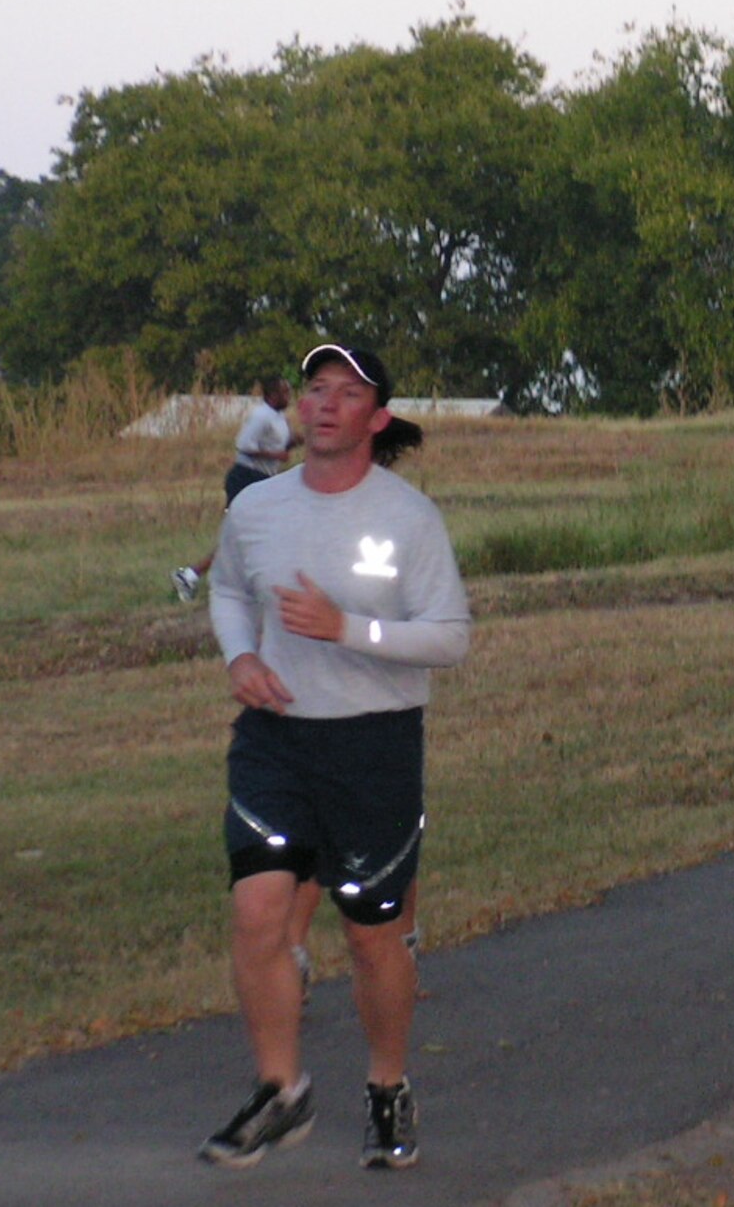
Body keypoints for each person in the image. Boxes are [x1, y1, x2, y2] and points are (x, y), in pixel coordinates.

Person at [199, 343, 470, 1172]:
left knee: (370, 939)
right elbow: (229, 590)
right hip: (276, 739)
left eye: (344, 394)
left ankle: (387, 1086)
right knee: (257, 914)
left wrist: (345, 628)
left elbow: (450, 639)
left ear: (375, 418)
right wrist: (240, 656)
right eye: (314, 389)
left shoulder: (409, 518)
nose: (322, 404)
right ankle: (280, 1091)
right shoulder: (257, 507)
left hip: (373, 746)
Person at [174, 377, 300, 601]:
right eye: (285, 392)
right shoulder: (261, 416)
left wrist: (294, 442)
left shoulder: (278, 417)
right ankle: (191, 575)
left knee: (261, 533)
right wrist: (276, 455)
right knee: (241, 536)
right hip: (246, 478)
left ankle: (235, 580)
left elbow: (277, 444)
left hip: (263, 480)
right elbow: (243, 445)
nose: (288, 397)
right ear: (272, 395)